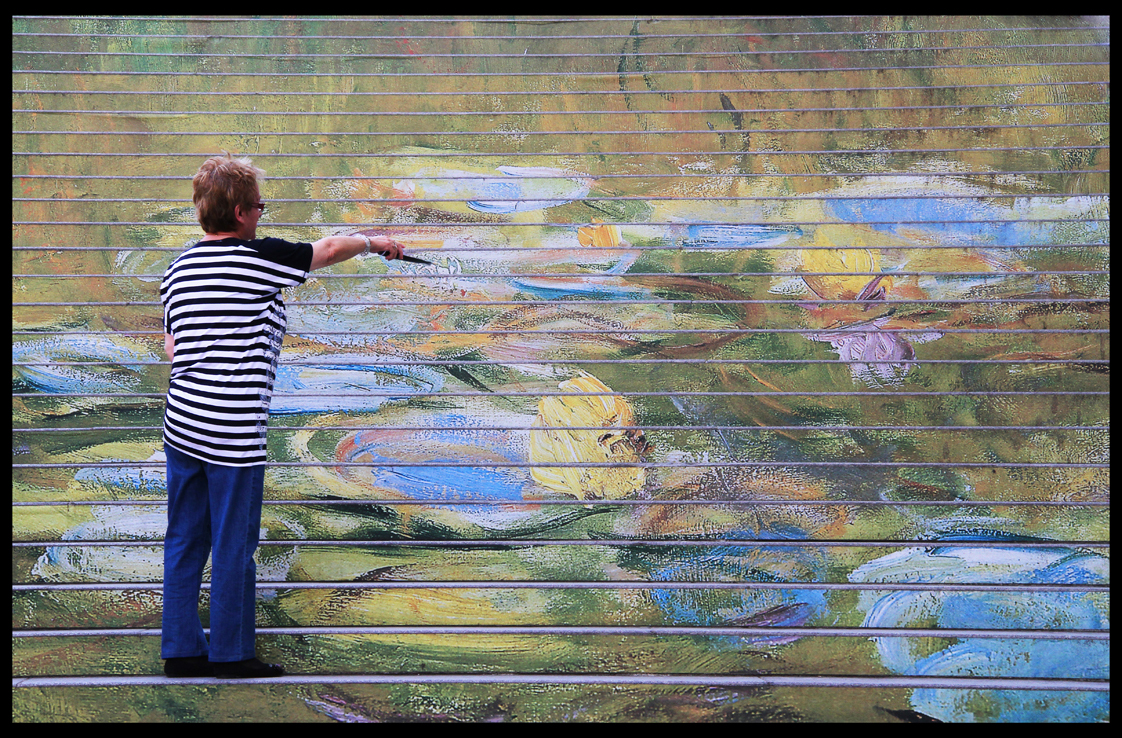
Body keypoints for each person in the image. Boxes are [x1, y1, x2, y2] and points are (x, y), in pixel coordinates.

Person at [159, 152, 405, 679]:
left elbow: (175, 347)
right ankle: (230, 654)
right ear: (244, 212)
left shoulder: (178, 268)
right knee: (233, 542)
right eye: (261, 207)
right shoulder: (258, 257)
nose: (262, 217)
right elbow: (329, 248)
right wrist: (375, 240)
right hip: (233, 430)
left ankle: (180, 649)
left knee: (184, 537)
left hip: (182, 423)